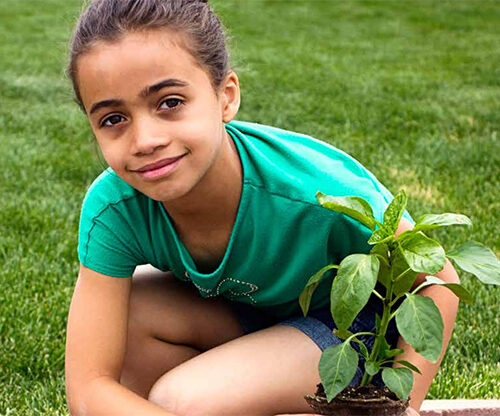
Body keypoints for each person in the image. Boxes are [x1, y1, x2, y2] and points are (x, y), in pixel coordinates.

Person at [64, 1, 460, 415]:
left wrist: (401, 406)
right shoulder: (115, 209)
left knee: (181, 400)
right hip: (253, 316)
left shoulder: (315, 192)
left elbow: (437, 278)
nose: (145, 140)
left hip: (352, 333)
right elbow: (89, 390)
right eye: (113, 119)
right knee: (132, 310)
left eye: (169, 102)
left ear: (225, 97)